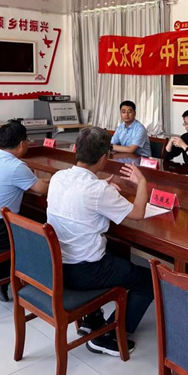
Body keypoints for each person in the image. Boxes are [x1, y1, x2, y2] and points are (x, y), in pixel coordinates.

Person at [47, 127, 154, 357]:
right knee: (149, 280)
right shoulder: (97, 190)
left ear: (76, 149)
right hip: (84, 271)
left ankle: (92, 318)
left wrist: (102, 187)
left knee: (115, 250)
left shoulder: (58, 177)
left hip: (56, 266)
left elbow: (81, 195)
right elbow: (138, 213)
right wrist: (142, 183)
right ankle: (109, 336)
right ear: (105, 157)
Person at [0, 121, 49, 301]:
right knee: (41, 233)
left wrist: (40, 181)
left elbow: (31, 183)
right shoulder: (16, 166)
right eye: (27, 140)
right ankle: (17, 281)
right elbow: (42, 190)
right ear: (22, 144)